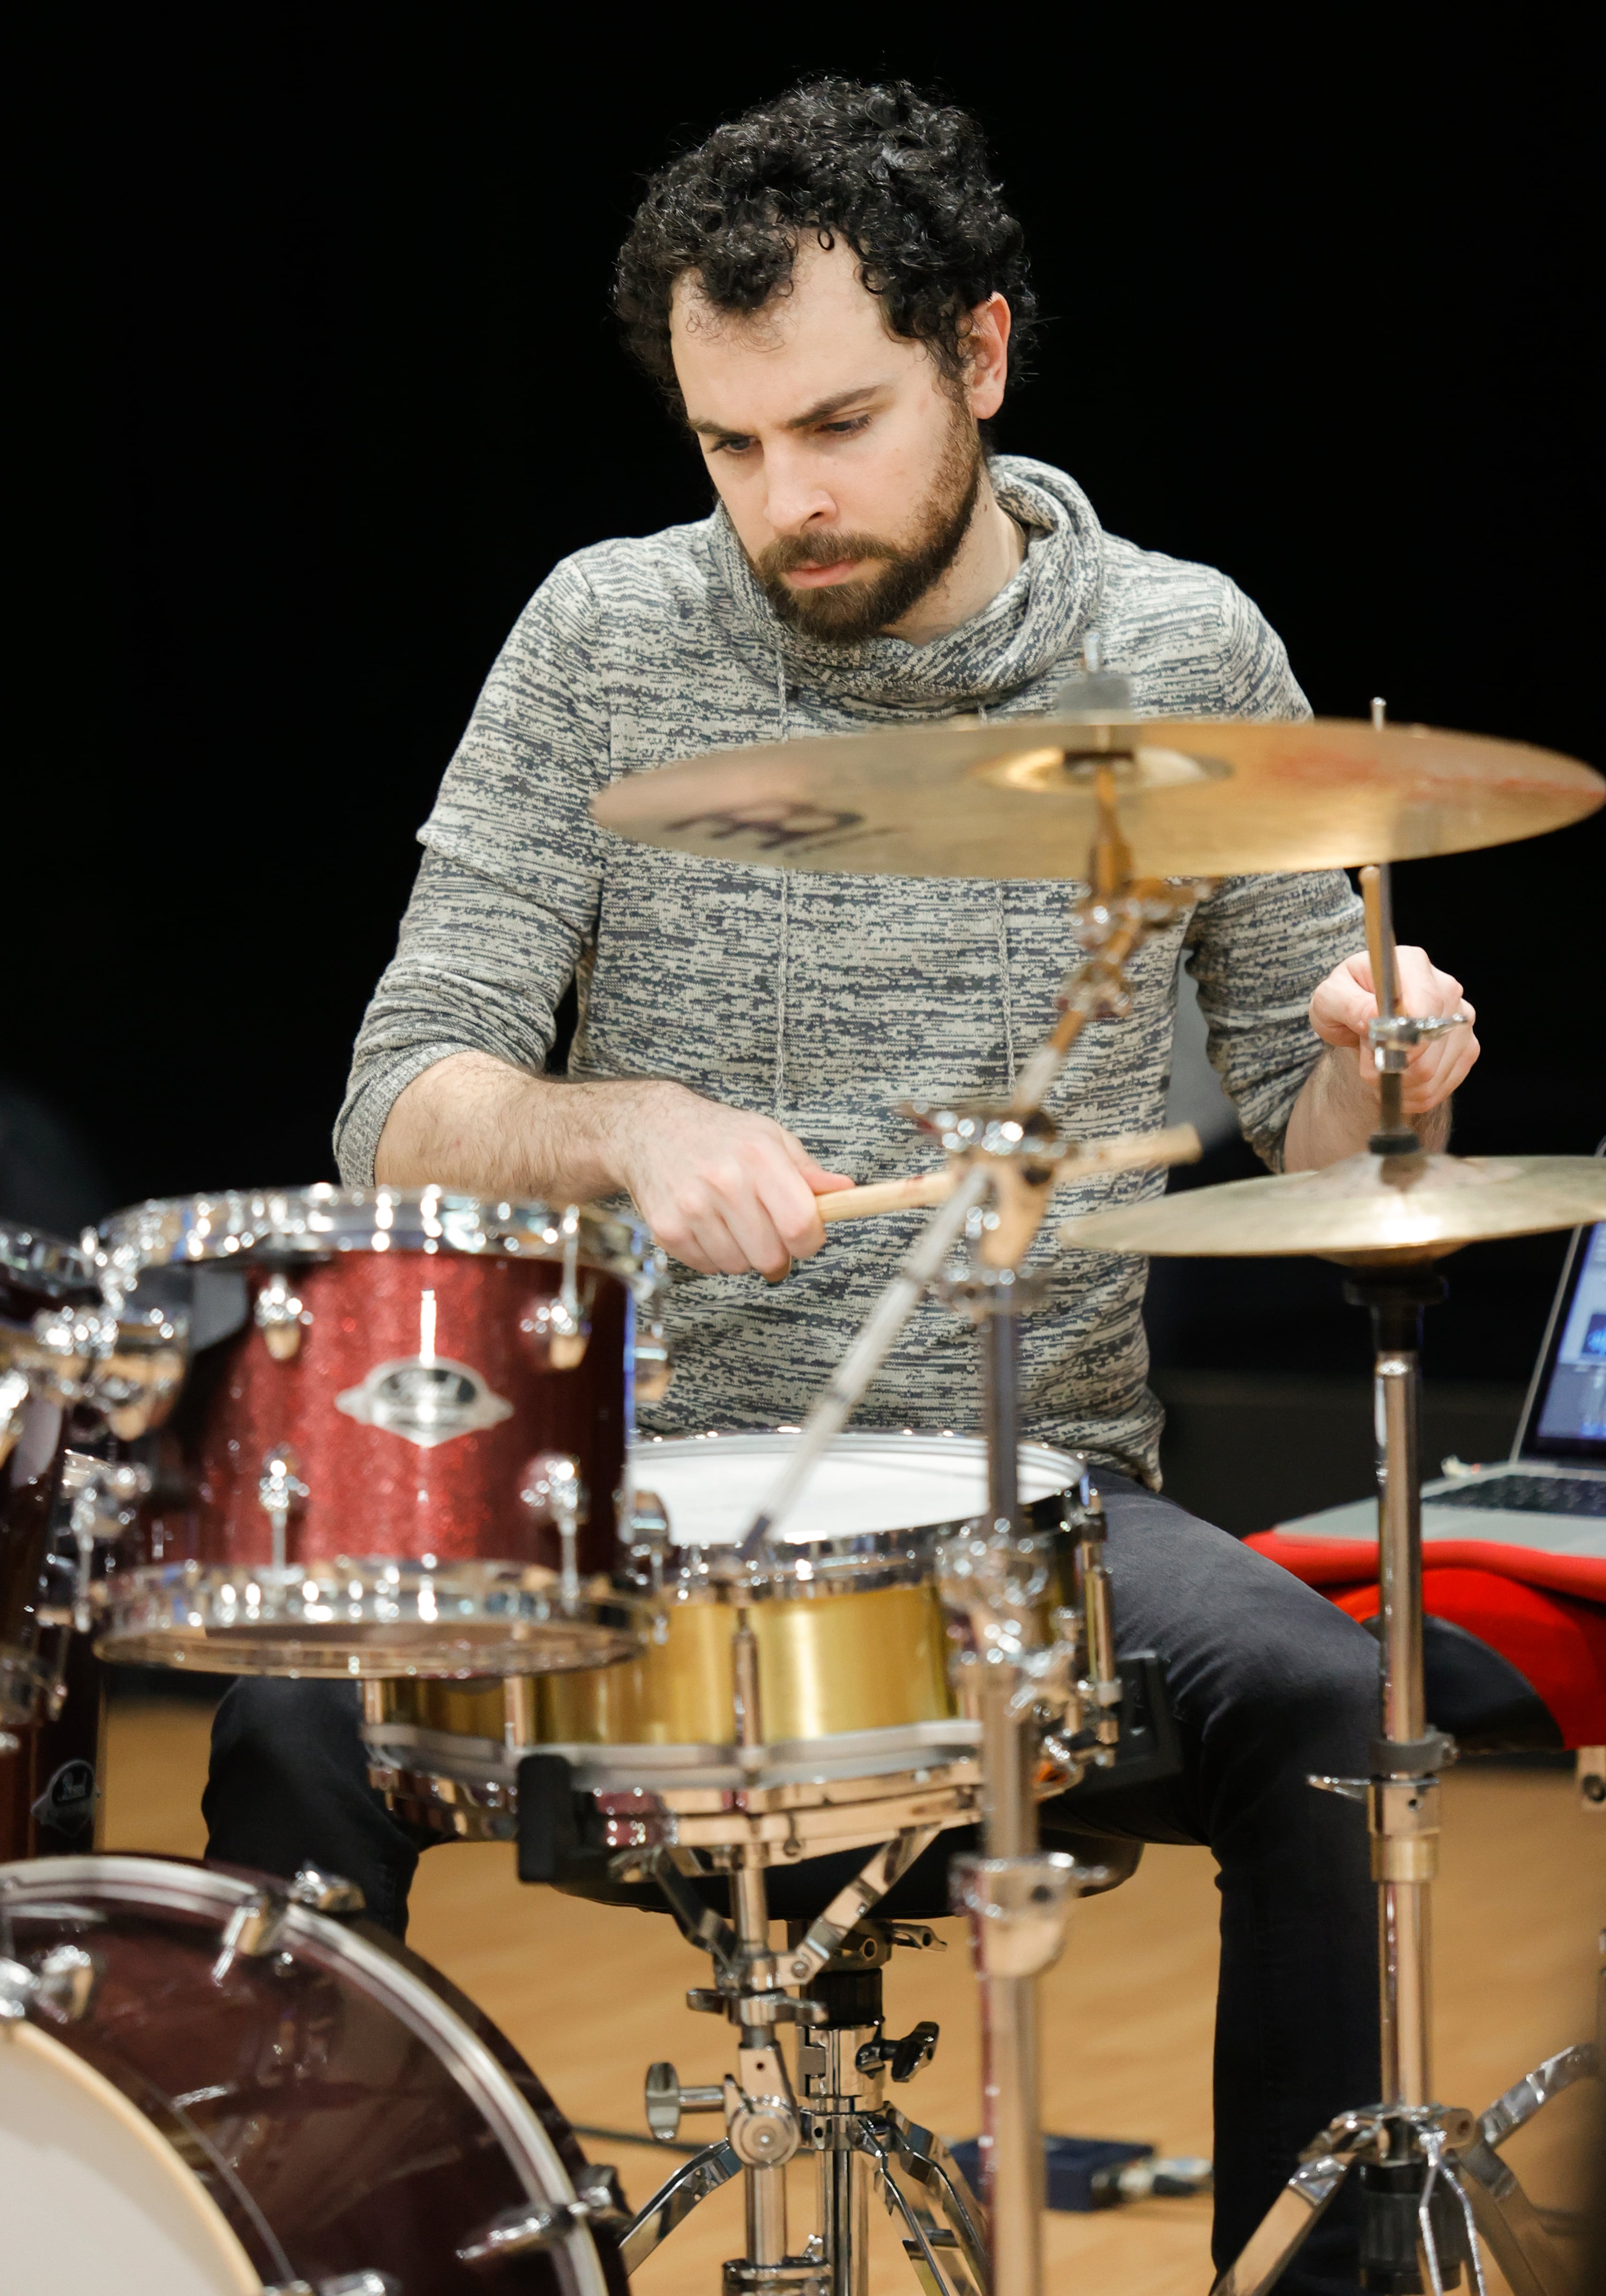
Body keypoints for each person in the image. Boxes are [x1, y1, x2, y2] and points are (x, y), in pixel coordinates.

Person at [203, 79, 1479, 2292]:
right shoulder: (601, 637)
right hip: (634, 1499)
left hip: (1038, 1501)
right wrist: (622, 1127)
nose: (780, 501)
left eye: (836, 423)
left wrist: (1393, 1075)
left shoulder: (1177, 656)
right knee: (286, 1722)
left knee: (1317, 1699)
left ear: (979, 355)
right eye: (726, 446)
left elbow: (1309, 1124)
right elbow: (400, 1093)